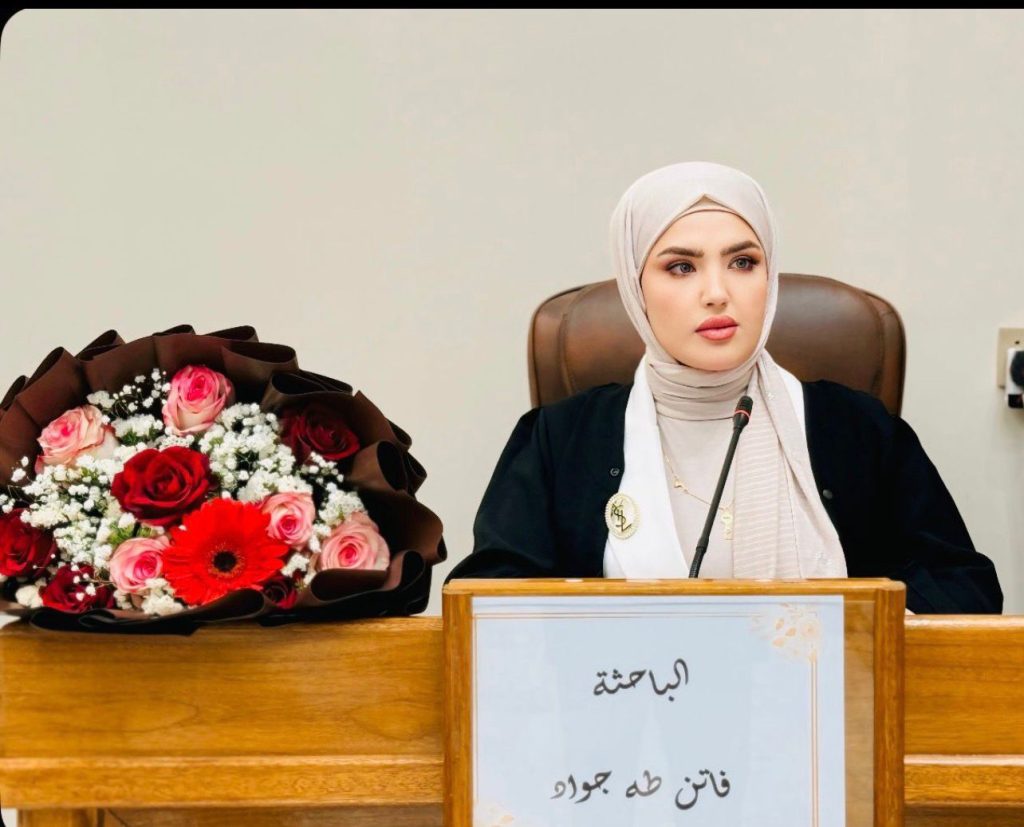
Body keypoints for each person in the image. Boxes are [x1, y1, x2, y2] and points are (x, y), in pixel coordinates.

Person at [446, 161, 1002, 614]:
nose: (717, 292)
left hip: (821, 708)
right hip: (627, 712)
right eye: (681, 267)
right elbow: (486, 604)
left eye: (743, 262)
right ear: (636, 288)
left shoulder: (859, 429)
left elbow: (963, 587)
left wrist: (853, 633)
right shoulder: (558, 439)